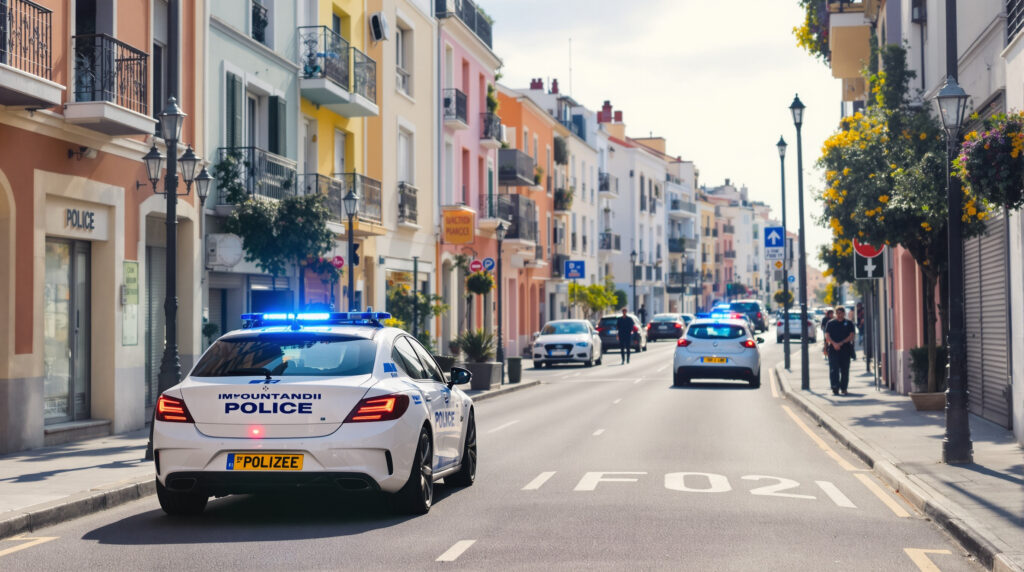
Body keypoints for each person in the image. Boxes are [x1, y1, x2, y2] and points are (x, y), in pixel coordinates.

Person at [824, 306, 857, 395]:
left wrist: (841, 343)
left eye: (841, 313)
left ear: (844, 313)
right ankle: (835, 387)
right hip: (833, 349)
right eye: (838, 313)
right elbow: (827, 336)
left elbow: (851, 336)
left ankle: (844, 388)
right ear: (835, 313)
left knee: (845, 370)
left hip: (845, 349)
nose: (839, 315)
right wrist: (834, 344)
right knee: (834, 369)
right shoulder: (830, 323)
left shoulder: (849, 323)